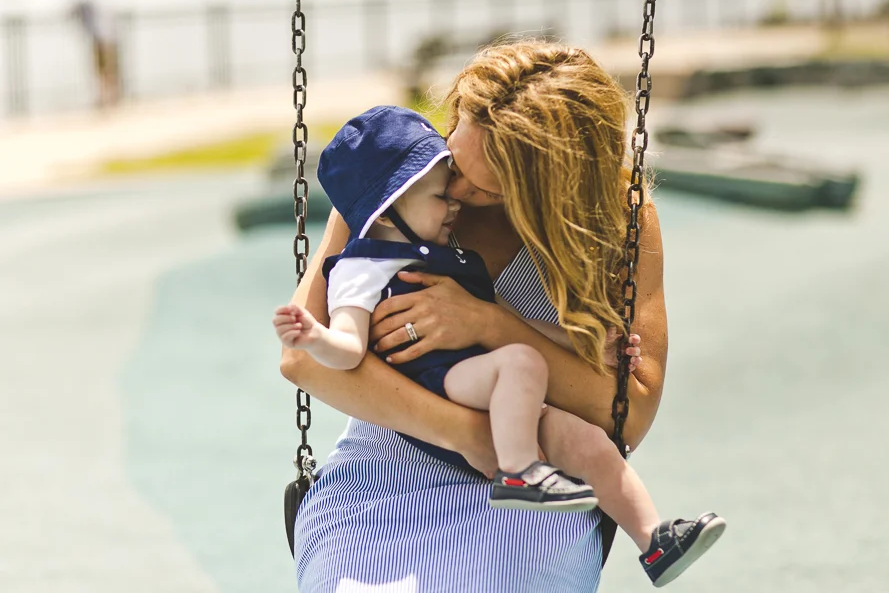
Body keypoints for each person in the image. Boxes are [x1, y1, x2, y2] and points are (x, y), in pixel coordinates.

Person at [280, 41, 716, 592]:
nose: (455, 191)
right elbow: (302, 358)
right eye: (455, 162)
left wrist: (488, 323)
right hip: (395, 440)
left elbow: (625, 417)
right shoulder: (395, 189)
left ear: (551, 188)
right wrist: (466, 434)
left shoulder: (617, 221)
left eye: (483, 186)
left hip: (540, 458)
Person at [71, 0, 120, 109]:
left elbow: (73, 11)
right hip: (104, 38)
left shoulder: (91, 1)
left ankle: (108, 98)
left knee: (105, 70)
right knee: (103, 70)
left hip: (103, 39)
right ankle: (107, 98)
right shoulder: (95, 1)